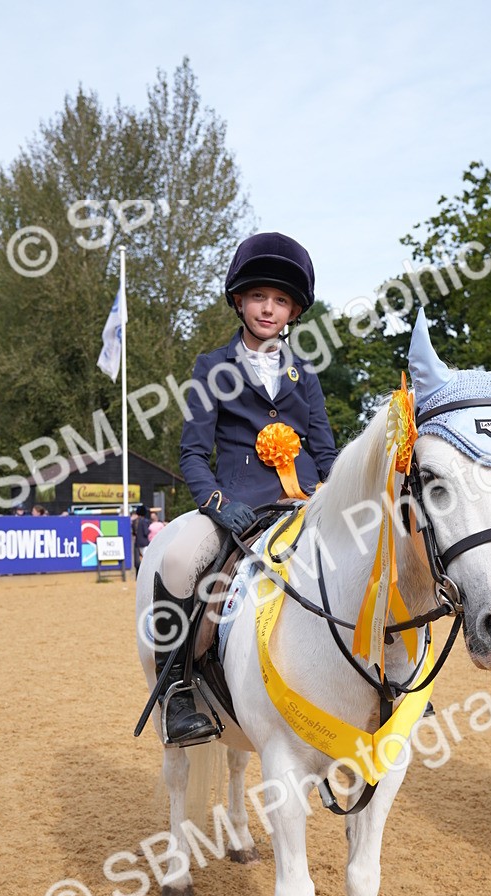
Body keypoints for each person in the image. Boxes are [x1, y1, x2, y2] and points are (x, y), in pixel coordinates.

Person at [156, 231, 339, 743]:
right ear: (239, 300)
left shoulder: (306, 373)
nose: (268, 308)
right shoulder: (212, 366)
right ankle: (177, 690)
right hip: (239, 506)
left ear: (293, 311)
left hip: (306, 504)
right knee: (178, 562)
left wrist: (338, 496)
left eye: (280, 300)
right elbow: (193, 454)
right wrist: (218, 504)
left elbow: (326, 451)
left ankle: (389, 670)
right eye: (259, 296)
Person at [133, 504, 151, 575]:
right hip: (144, 543)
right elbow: (146, 532)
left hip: (137, 543)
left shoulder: (134, 521)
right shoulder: (145, 521)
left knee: (140, 560)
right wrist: (150, 530)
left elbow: (134, 533)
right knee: (147, 559)